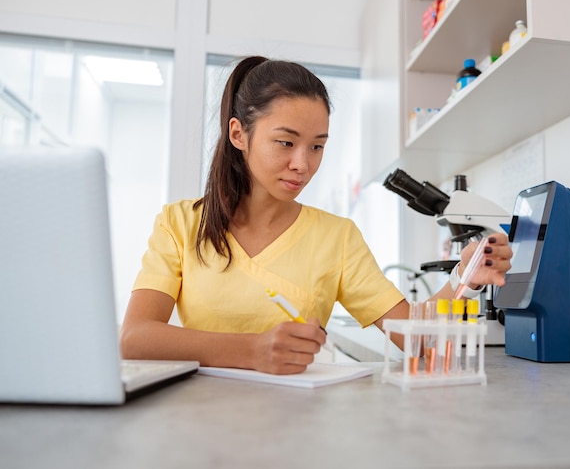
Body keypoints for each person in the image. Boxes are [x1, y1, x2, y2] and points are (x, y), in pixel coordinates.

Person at [120, 56, 512, 375]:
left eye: (317, 147)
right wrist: (254, 350)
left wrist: (466, 280)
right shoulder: (180, 223)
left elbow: (418, 338)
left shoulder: (336, 237)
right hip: (198, 427)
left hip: (298, 430)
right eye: (285, 142)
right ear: (239, 134)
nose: (302, 164)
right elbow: (135, 339)